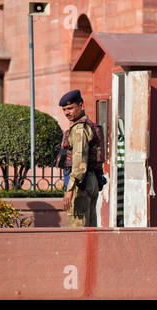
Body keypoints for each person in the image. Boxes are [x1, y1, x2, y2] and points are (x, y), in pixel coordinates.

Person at [57, 89, 105, 227]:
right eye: (64, 109)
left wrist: (70, 190)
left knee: (77, 227)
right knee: (89, 226)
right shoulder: (89, 125)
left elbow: (79, 162)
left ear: (81, 106)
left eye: (70, 108)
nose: (67, 113)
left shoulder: (79, 129)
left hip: (80, 182)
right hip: (91, 179)